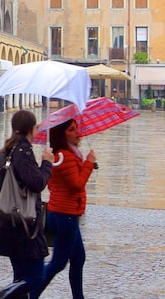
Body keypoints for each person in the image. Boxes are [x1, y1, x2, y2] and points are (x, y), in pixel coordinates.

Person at [0, 110, 54, 299]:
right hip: (25, 225)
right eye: (35, 127)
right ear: (31, 129)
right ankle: (4, 296)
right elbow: (38, 182)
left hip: (7, 221)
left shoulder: (4, 152)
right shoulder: (23, 152)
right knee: (35, 277)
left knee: (20, 276)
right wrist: (47, 163)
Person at [40, 118, 96, 299]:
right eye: (72, 129)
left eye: (77, 128)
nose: (77, 132)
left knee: (78, 258)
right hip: (65, 216)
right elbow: (76, 185)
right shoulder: (65, 156)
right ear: (62, 134)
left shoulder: (66, 155)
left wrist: (85, 163)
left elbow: (56, 184)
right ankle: (31, 294)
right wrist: (89, 163)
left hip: (65, 214)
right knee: (58, 263)